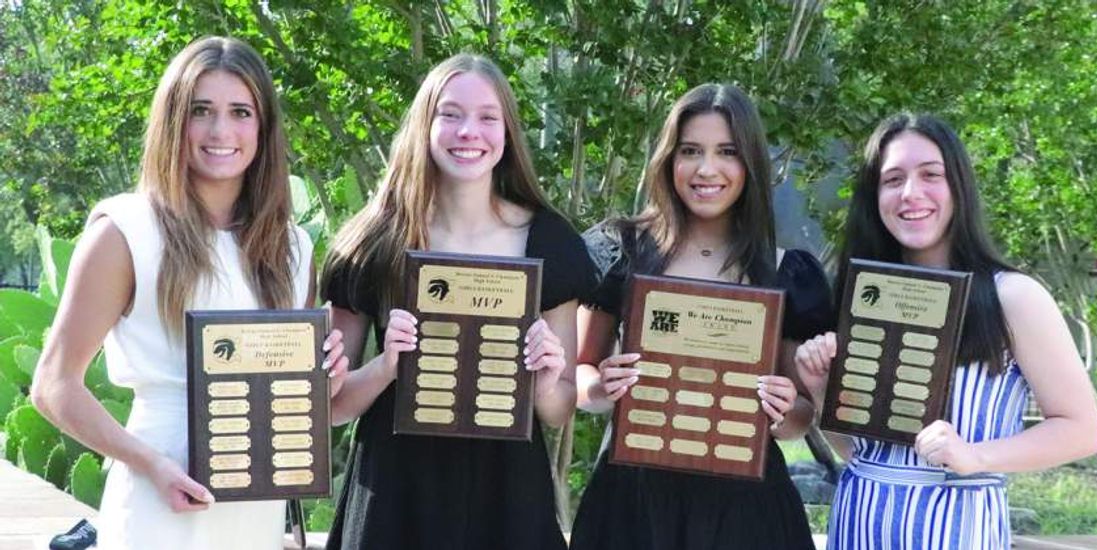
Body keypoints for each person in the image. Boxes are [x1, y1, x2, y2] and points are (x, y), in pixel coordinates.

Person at [29, 36, 335, 549]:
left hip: (255, 507)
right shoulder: (125, 232)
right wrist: (151, 464)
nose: (221, 131)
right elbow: (53, 385)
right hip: (158, 499)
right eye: (201, 110)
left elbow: (298, 401)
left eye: (241, 112)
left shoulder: (293, 248)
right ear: (174, 120)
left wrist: (325, 376)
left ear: (263, 127)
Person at [319, 53, 594, 550]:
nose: (470, 131)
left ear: (507, 132)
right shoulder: (373, 243)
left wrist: (547, 380)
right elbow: (333, 404)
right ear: (425, 124)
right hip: (394, 494)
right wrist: (386, 367)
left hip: (507, 498)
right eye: (451, 114)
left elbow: (558, 409)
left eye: (488, 117)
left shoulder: (549, 242)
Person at [795, 113, 1097, 549]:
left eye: (930, 175)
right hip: (858, 522)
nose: (911, 193)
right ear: (874, 195)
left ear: (958, 185)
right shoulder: (865, 296)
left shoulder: (1012, 296)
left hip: (958, 529)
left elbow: (1082, 430)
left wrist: (977, 456)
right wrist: (822, 389)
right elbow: (862, 452)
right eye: (893, 179)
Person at [569, 83, 832, 550]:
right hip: (633, 507)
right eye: (690, 150)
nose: (706, 169)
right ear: (669, 159)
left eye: (726, 152)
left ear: (749, 163)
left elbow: (800, 419)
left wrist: (781, 406)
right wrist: (600, 387)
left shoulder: (786, 270)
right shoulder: (621, 251)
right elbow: (582, 376)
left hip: (746, 513)